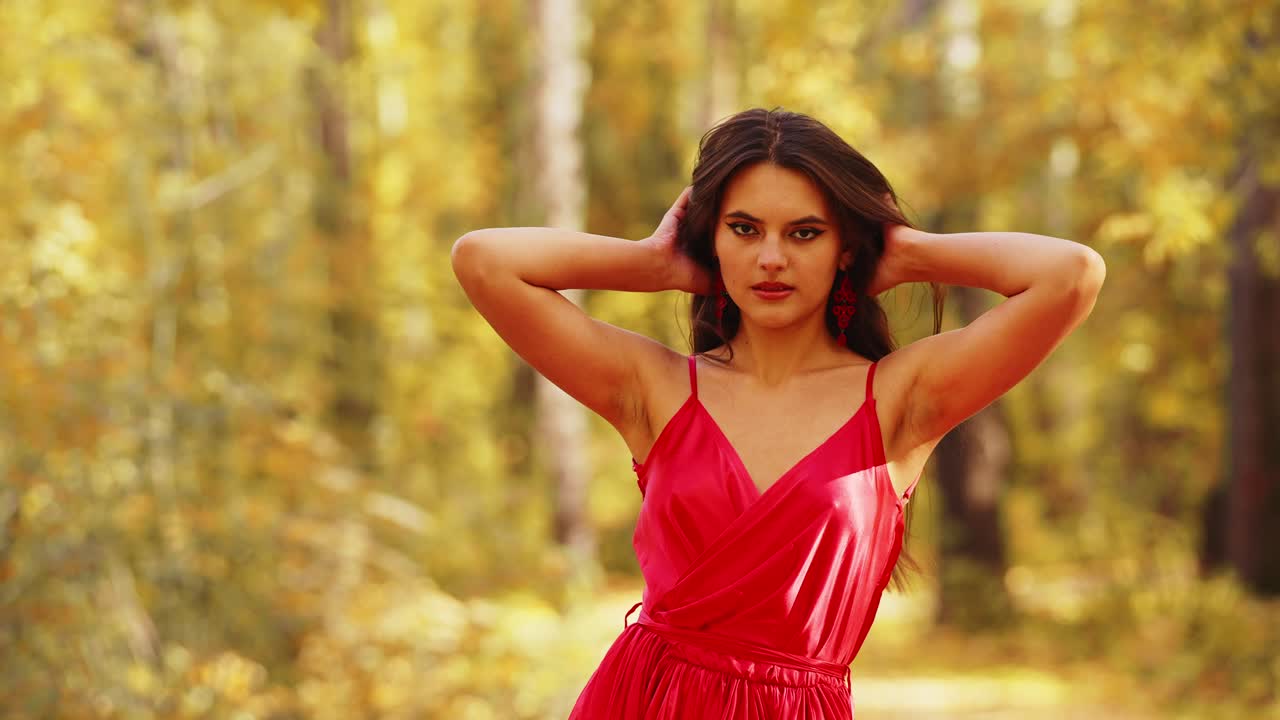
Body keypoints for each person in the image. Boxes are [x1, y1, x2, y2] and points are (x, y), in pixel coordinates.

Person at [450, 107, 1105, 719]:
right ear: (711, 237)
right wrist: (653, 264)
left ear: (844, 246)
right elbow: (484, 260)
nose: (771, 258)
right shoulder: (655, 388)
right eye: (744, 229)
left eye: (805, 233)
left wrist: (904, 254)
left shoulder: (900, 399)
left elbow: (1071, 274)